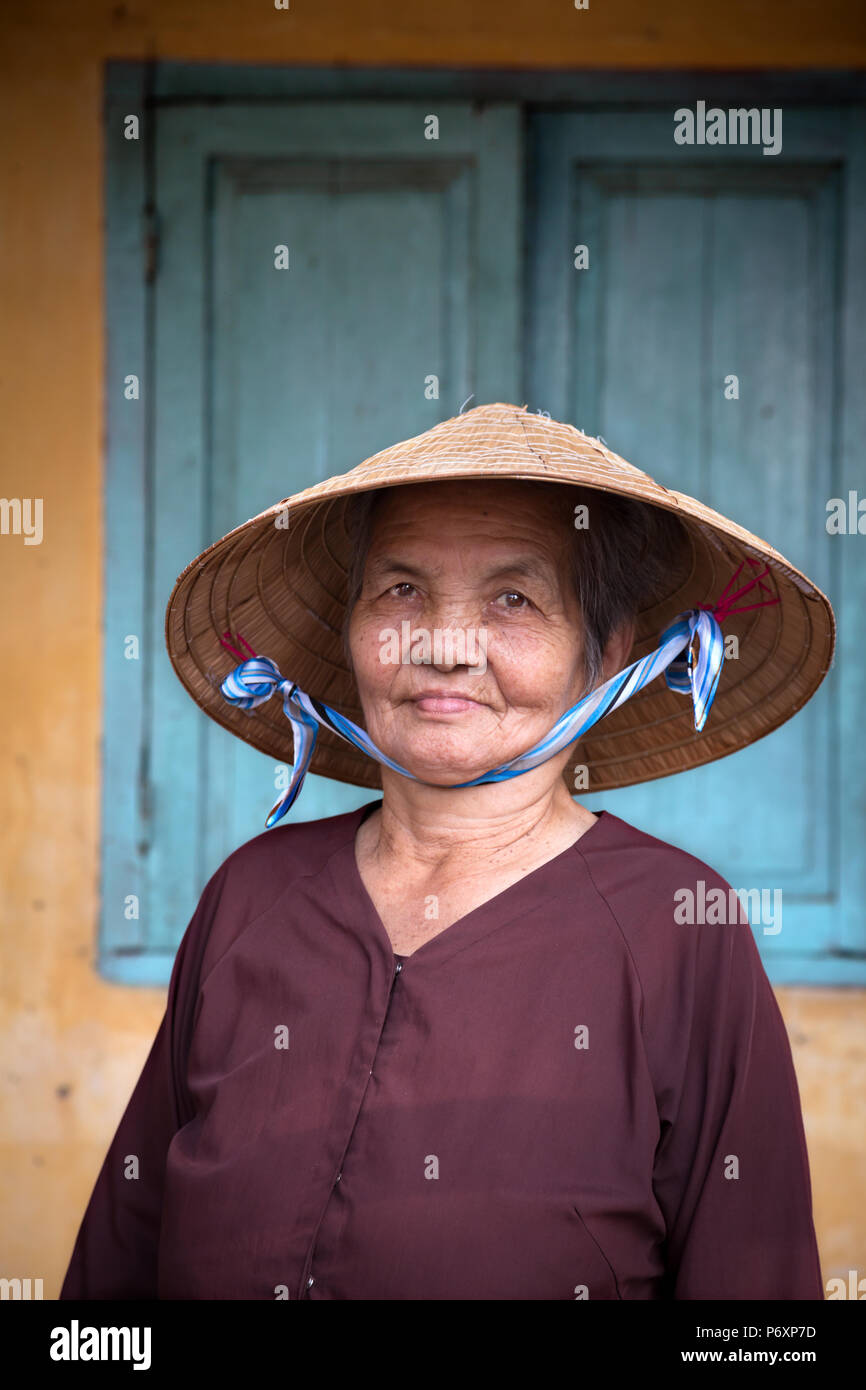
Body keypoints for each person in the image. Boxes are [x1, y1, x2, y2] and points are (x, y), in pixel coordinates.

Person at [61, 403, 834, 1300]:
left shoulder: (680, 930)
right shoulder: (251, 897)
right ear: (350, 633)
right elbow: (114, 1280)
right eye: (401, 592)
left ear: (608, 653)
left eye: (513, 599)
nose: (443, 645)